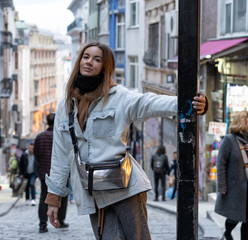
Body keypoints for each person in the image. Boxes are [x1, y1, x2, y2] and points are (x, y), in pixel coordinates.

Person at [44, 42, 207, 239]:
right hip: (94, 192)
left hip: (125, 187)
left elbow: (150, 103)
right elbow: (61, 154)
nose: (89, 62)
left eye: (97, 59)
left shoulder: (118, 97)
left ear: (105, 67)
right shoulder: (65, 106)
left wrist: (191, 103)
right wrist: (54, 198)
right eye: (86, 57)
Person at [215, 111, 248, 240]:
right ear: (242, 122)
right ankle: (227, 233)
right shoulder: (229, 139)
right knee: (234, 218)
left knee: (246, 221)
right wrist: (222, 186)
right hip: (235, 188)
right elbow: (221, 163)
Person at [34, 113, 69, 233]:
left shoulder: (40, 137)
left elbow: (37, 156)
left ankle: (42, 224)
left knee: (44, 197)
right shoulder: (62, 137)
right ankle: (61, 220)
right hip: (62, 173)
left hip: (45, 172)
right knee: (63, 197)